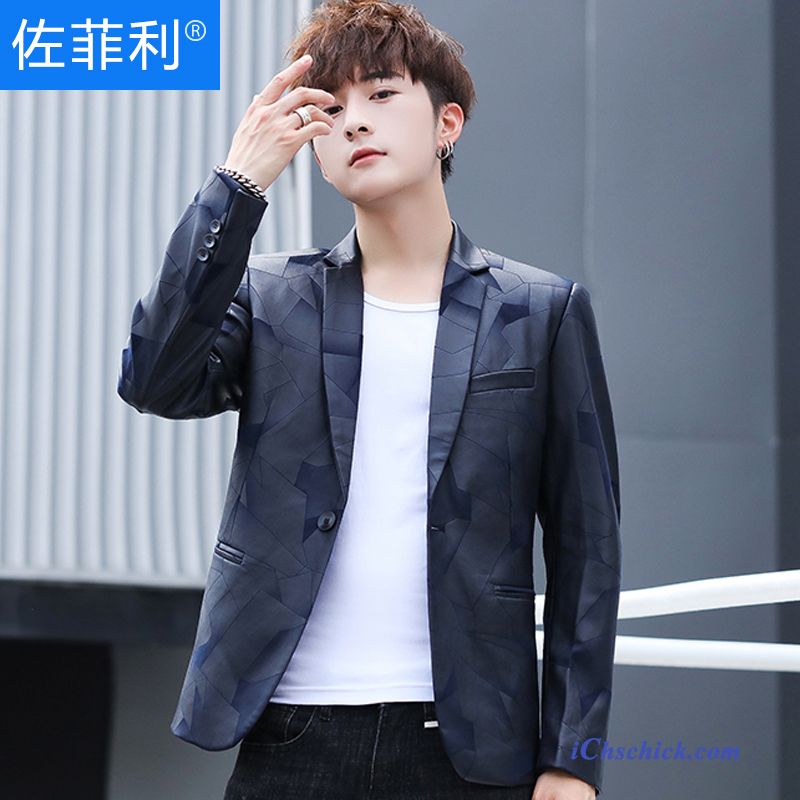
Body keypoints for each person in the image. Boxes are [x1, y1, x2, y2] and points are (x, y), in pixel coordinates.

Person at [116, 1, 622, 798]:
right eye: (332, 107)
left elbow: (586, 550)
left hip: (468, 744)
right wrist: (237, 186)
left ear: (447, 123)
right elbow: (154, 380)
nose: (354, 121)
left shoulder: (539, 312)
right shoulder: (273, 298)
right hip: (290, 732)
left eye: (382, 94)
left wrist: (572, 759)